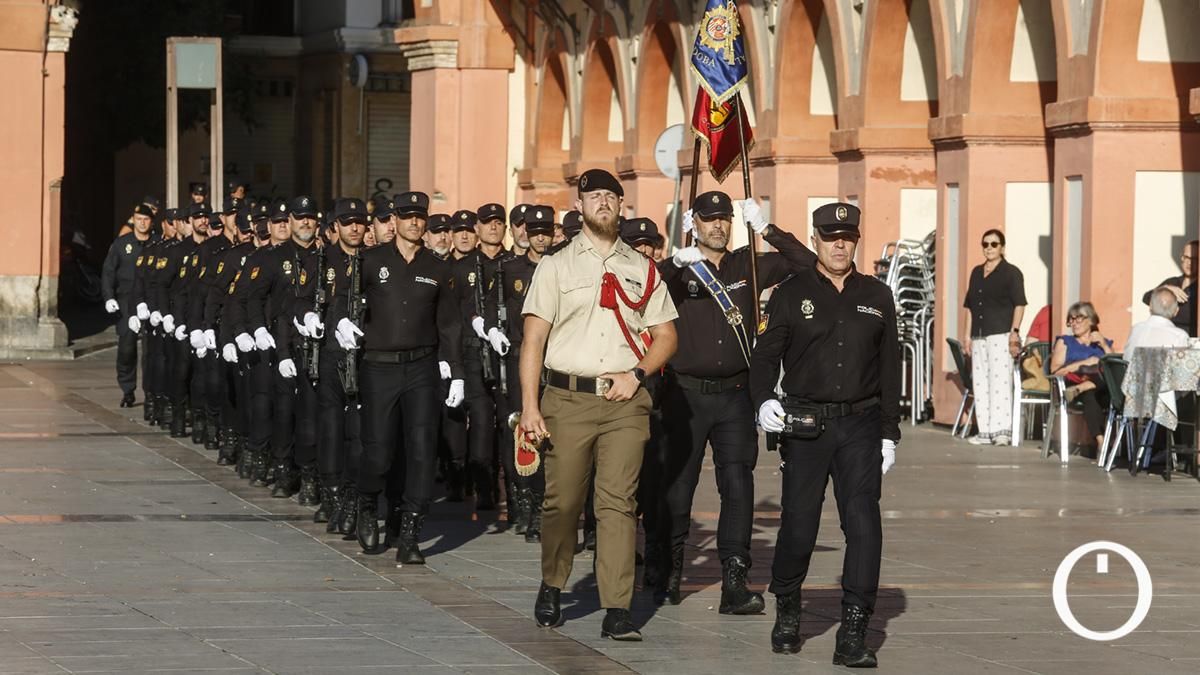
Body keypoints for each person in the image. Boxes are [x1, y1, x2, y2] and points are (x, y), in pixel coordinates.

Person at [520, 168, 678, 641]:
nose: (604, 203)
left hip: (625, 401)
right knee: (563, 501)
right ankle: (553, 580)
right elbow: (532, 341)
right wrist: (530, 407)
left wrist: (637, 374)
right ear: (580, 206)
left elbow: (666, 335)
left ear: (621, 206)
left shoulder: (643, 268)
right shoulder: (556, 265)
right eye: (595, 196)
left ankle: (617, 607)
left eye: (611, 196)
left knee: (618, 504)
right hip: (566, 399)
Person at [653, 191, 817, 614]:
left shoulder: (749, 265)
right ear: (695, 224)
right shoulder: (680, 269)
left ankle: (735, 581)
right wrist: (674, 261)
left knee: (739, 487)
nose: (718, 226)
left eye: (724, 218)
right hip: (685, 395)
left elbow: (806, 263)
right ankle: (669, 571)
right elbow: (643, 286)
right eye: (709, 219)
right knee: (678, 486)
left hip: (735, 395)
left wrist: (768, 229)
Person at [751, 202, 899, 666]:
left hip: (859, 424)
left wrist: (889, 433)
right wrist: (763, 402)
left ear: (856, 240)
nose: (839, 244)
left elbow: (891, 367)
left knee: (863, 524)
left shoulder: (877, 295)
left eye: (848, 236)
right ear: (814, 239)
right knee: (798, 523)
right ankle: (788, 608)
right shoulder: (790, 292)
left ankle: (854, 628)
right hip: (806, 425)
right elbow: (764, 356)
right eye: (831, 236)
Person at [333, 191, 466, 562]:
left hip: (421, 367)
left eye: (419, 217)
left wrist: (455, 373)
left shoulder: (438, 268)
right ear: (394, 220)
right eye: (406, 216)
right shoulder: (370, 260)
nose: (414, 223)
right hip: (378, 367)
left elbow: (450, 325)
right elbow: (340, 303)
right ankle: (367, 501)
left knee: (422, 451)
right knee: (378, 451)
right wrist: (340, 324)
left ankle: (409, 533)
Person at [294, 197, 369, 533]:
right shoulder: (320, 260)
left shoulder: (374, 261)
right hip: (330, 355)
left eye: (360, 222)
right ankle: (332, 495)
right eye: (347, 222)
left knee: (358, 431)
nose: (355, 228)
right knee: (330, 430)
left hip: (364, 355)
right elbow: (298, 301)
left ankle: (353, 495)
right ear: (335, 227)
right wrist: (307, 317)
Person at [483, 205, 556, 542]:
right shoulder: (508, 269)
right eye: (535, 231)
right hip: (517, 357)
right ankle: (524, 501)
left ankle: (543, 506)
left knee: (552, 432)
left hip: (555, 359)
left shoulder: (562, 269)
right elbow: (485, 310)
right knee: (521, 430)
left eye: (546, 231)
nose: (540, 237)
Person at [962, 229, 1026, 445]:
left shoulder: (1011, 273)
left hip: (1000, 333)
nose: (989, 248)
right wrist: (967, 336)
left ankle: (1001, 431)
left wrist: (1014, 332)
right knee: (980, 383)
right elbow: (970, 307)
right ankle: (985, 432)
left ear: (1002, 247)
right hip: (979, 335)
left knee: (1000, 382)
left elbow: (1019, 304)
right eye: (985, 244)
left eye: (994, 244)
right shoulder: (976, 273)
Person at [102, 203, 158, 407]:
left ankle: (151, 392)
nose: (142, 223)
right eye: (139, 219)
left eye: (146, 219)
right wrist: (109, 297)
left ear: (151, 222)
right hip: (126, 301)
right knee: (127, 348)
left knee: (151, 351)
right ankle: (127, 390)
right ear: (133, 219)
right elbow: (108, 271)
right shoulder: (121, 244)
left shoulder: (157, 244)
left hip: (150, 303)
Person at [1048, 301, 1114, 450]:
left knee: (1101, 380)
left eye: (1078, 319)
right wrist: (1085, 362)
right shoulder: (1065, 342)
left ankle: (1085, 387)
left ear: (1090, 320)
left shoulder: (1103, 343)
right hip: (1073, 386)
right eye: (1071, 319)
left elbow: (1114, 368)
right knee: (1090, 394)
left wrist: (1103, 345)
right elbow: (1055, 370)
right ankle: (1101, 441)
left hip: (1104, 389)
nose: (1073, 323)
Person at [1142, 240, 1197, 335]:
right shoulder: (1172, 282)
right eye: (1187, 257)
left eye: (1195, 259)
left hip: (1190, 340)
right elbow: (1147, 298)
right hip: (1165, 337)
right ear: (1182, 258)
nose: (1190, 263)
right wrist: (1166, 289)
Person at [1126, 287, 1190, 357]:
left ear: (1150, 306)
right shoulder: (1180, 336)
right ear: (1176, 311)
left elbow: (1126, 359)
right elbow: (1181, 366)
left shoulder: (1136, 329)